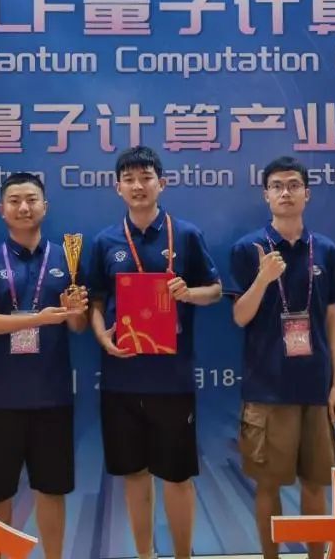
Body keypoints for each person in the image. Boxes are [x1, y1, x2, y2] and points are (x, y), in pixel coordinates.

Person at [87, 146, 222, 559]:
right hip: (121, 378)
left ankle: (182, 555)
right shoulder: (105, 241)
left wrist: (188, 292)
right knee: (134, 475)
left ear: (161, 183)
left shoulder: (186, 234)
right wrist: (102, 337)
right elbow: (96, 301)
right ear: (118, 188)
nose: (138, 186)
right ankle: (145, 555)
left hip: (172, 378)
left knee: (177, 477)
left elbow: (215, 291)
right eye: (129, 179)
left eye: (146, 177)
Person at [226, 156, 335, 559]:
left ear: (307, 194)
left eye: (294, 185)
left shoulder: (325, 250)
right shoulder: (248, 249)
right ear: (266, 195)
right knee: (268, 485)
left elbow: (332, 319)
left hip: (315, 388)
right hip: (267, 389)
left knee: (316, 484)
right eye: (277, 186)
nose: (285, 193)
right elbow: (240, 316)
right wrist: (263, 279)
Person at [0, 172, 89, 559]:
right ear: (1, 210)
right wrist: (41, 318)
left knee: (52, 490)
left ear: (45, 207)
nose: (24, 207)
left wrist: (74, 311)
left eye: (32, 200)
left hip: (51, 398)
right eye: (15, 201)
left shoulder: (66, 259)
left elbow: (78, 327)